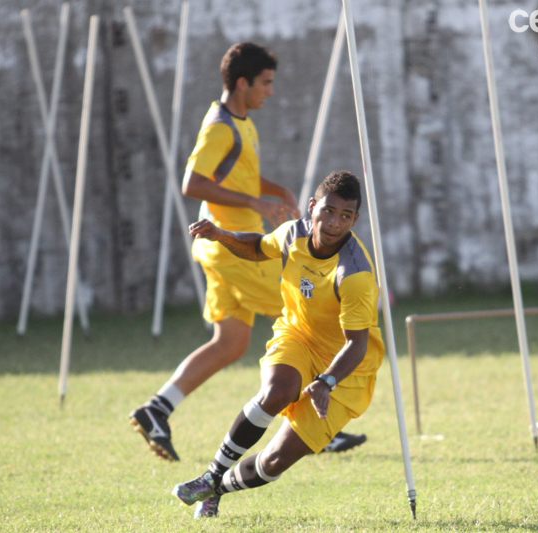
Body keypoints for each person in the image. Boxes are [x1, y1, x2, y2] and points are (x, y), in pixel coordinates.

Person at [129, 43, 367, 461]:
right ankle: (319, 424)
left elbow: (239, 177)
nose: (270, 92)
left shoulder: (242, 123)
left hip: (222, 250)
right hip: (234, 249)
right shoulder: (220, 127)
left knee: (231, 344)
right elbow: (192, 183)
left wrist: (279, 191)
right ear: (243, 84)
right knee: (306, 316)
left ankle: (156, 409)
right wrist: (257, 206)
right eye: (266, 83)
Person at [172, 170, 385, 518]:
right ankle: (210, 476)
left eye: (346, 216)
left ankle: (218, 488)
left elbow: (356, 345)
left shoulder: (355, 274)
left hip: (347, 372)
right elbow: (258, 247)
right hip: (298, 336)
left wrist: (326, 382)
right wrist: (221, 235)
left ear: (355, 220)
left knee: (274, 461)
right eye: (328, 211)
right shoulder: (293, 233)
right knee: (278, 390)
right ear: (313, 206)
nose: (334, 223)